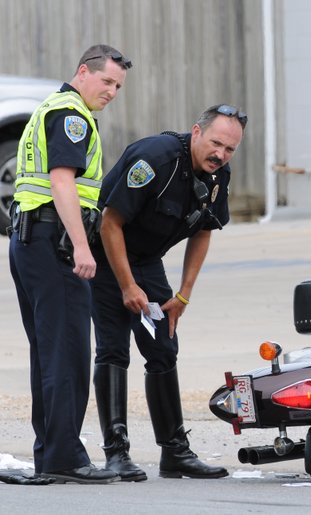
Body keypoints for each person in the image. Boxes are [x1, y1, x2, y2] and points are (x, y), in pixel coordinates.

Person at [91, 104, 246, 480]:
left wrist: (183, 295)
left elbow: (205, 229)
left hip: (147, 259)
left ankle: (174, 452)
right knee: (114, 349)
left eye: (229, 149)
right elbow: (110, 223)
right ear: (196, 132)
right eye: (215, 144)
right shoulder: (154, 159)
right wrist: (127, 285)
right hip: (108, 253)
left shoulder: (216, 175)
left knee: (163, 347)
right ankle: (117, 453)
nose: (220, 155)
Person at [8, 44, 132, 484]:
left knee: (49, 353)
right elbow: (62, 181)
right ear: (83, 72)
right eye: (107, 81)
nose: (113, 91)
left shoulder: (49, 108)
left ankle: (52, 454)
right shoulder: (72, 115)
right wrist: (82, 246)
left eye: (118, 85)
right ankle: (64, 457)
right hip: (54, 243)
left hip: (29, 241)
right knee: (68, 354)